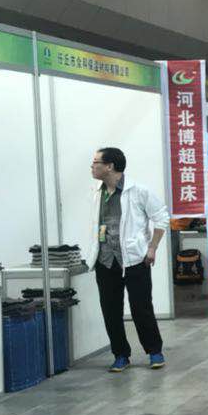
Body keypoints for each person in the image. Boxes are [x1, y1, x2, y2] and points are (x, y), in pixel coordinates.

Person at [90, 148, 169, 372]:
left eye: (96, 162)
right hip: (105, 260)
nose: (92, 167)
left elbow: (162, 218)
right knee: (110, 310)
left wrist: (152, 248)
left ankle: (154, 351)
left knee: (141, 308)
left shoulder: (138, 191)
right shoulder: (96, 192)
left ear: (110, 166)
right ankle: (120, 354)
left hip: (135, 259)